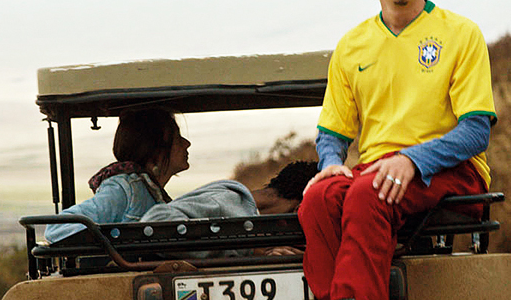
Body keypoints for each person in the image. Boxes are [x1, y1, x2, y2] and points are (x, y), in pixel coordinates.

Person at [290, 0, 497, 300]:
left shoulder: (461, 33)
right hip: (379, 172)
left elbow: (475, 131)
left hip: (450, 170)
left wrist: (414, 160)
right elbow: (332, 132)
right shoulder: (351, 46)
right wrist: (327, 162)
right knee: (317, 199)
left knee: (368, 188)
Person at [43, 107, 189, 243]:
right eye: (177, 138)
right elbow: (57, 229)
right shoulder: (126, 190)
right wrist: (120, 244)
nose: (186, 143)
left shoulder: (151, 193)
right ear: (155, 149)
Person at [140, 160, 317, 257]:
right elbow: (155, 221)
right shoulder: (224, 200)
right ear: (300, 207)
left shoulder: (267, 226)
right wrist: (248, 250)